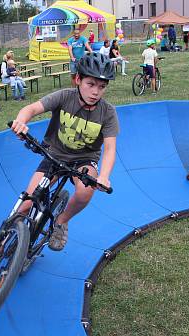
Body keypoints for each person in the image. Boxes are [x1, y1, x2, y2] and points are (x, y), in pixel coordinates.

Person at [9, 52, 118, 251]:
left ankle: (61, 220)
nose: (96, 92)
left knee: (85, 192)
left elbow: (110, 147)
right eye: (90, 84)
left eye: (102, 87)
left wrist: (104, 175)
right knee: (25, 205)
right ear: (78, 79)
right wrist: (21, 122)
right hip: (54, 155)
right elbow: (31, 108)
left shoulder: (108, 112)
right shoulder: (64, 97)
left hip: (84, 160)